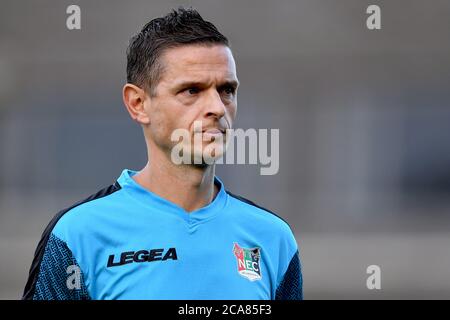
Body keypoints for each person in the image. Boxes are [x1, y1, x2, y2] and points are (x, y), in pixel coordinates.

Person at [23, 7, 302, 300]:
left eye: (226, 90)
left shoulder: (273, 238)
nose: (218, 108)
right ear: (138, 103)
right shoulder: (76, 236)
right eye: (192, 90)